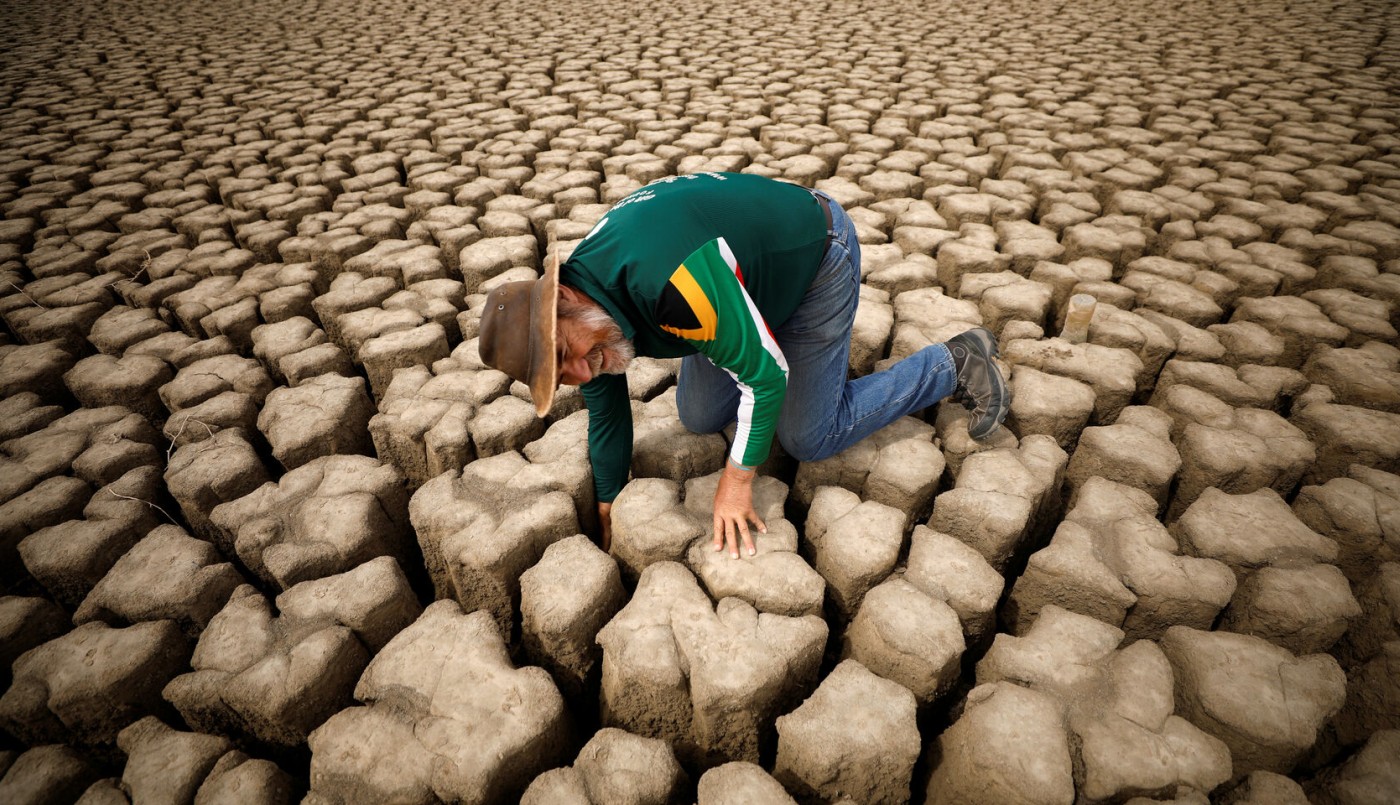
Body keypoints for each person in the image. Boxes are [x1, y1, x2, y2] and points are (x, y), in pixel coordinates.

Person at [478, 172, 1008, 559]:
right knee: (700, 415)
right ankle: (752, 332)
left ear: (563, 296)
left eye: (569, 354)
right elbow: (608, 412)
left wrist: (736, 480)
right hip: (734, 281)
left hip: (813, 256)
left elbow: (765, 376)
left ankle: (952, 362)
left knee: (810, 436)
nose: (585, 373)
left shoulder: (671, 286)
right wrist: (609, 502)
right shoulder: (585, 320)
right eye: (564, 374)